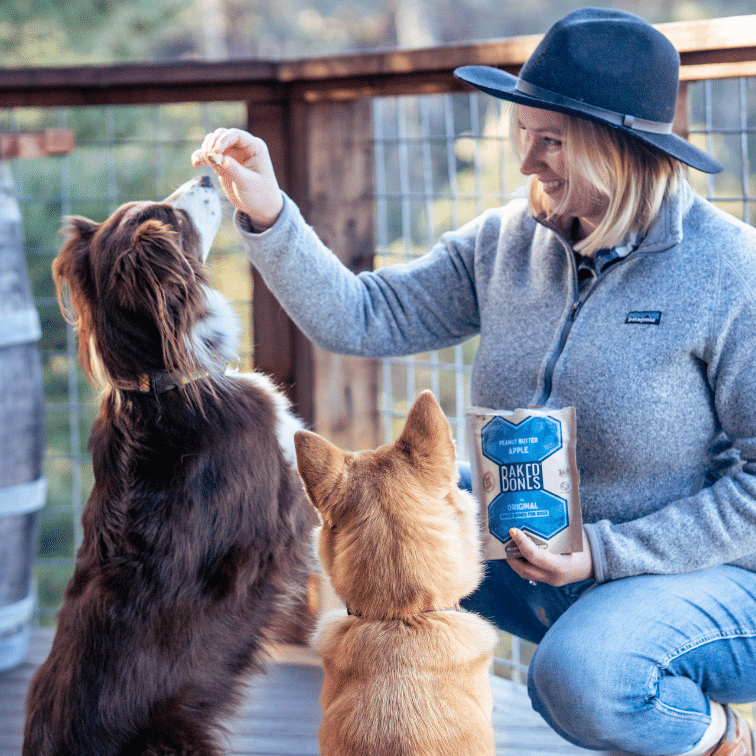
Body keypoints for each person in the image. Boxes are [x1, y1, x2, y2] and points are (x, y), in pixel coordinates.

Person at [192, 7, 756, 755]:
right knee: (382, 517)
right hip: (542, 554)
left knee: (582, 677)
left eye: (551, 142)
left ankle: (718, 738)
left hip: (709, 580)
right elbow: (364, 317)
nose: (529, 163)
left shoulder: (728, 272)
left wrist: (606, 552)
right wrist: (267, 211)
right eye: (526, 137)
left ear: (618, 149)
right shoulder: (505, 244)